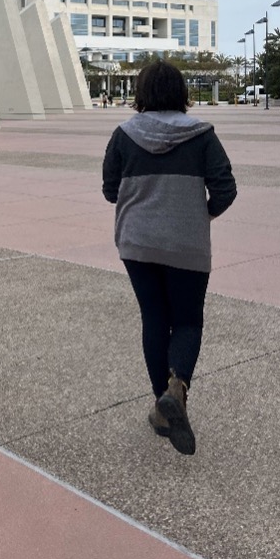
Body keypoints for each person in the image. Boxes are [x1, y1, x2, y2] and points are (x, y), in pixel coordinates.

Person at [102, 60, 237, 455]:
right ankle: (176, 390)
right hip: (187, 244)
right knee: (187, 321)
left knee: (155, 319)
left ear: (142, 93)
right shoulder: (203, 135)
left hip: (137, 244)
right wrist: (200, 214)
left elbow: (111, 191)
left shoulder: (123, 136)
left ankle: (163, 405)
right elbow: (226, 190)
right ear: (181, 92)